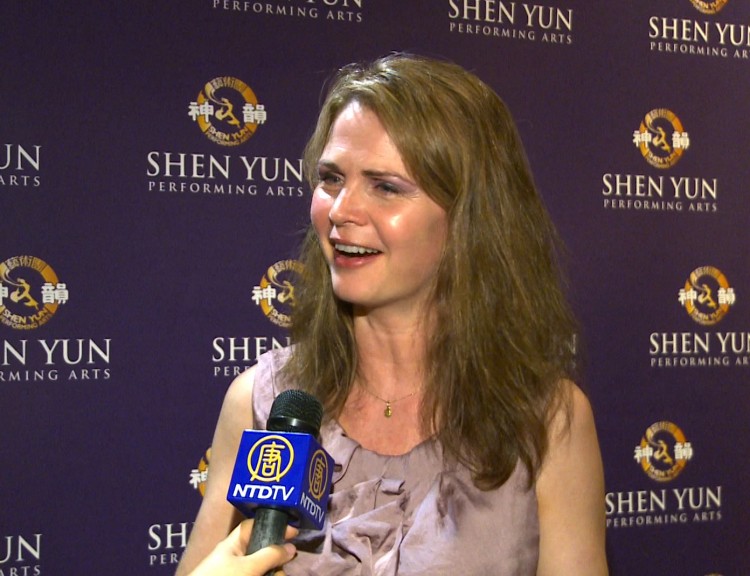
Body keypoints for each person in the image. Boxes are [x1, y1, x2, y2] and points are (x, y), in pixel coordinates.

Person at [177, 53, 607, 576]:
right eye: (332, 178)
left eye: (385, 186)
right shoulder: (259, 403)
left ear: (470, 218)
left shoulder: (547, 422)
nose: (340, 211)